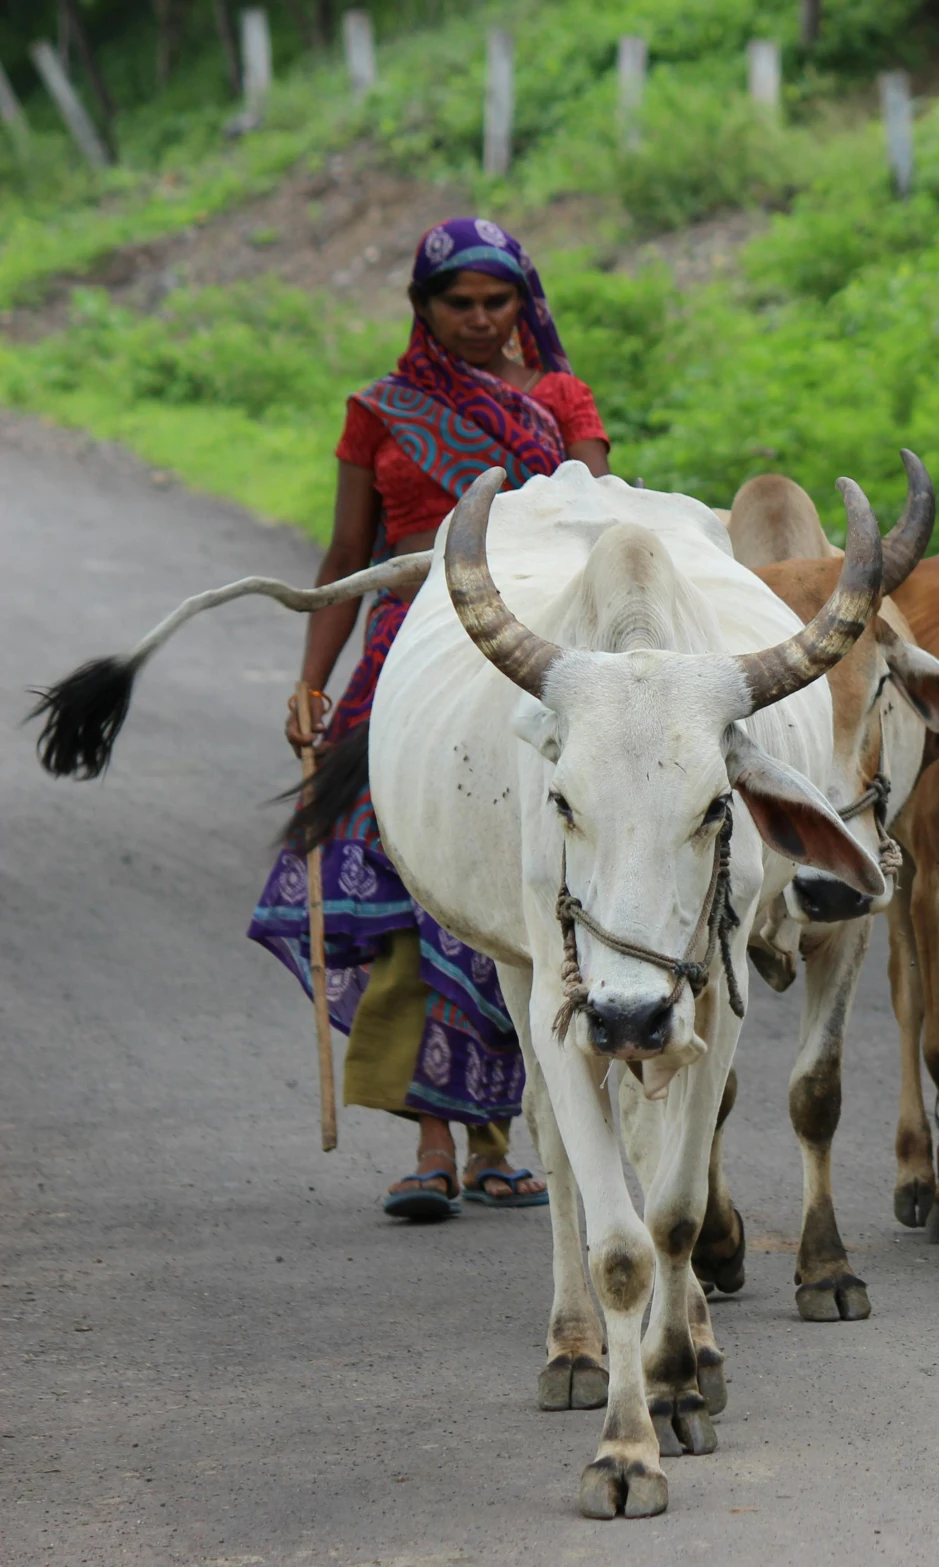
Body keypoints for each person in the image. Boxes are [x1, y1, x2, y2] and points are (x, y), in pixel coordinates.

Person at [248, 218, 610, 1220]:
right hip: (404, 658)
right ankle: (432, 1140)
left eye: (499, 302)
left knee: (515, 879)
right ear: (424, 308)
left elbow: (589, 524)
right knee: (412, 894)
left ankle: (502, 1136)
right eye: (461, 304)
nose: (482, 321)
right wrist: (313, 681)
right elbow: (346, 555)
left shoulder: (560, 402)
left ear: (523, 303)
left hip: (522, 651)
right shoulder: (380, 412)